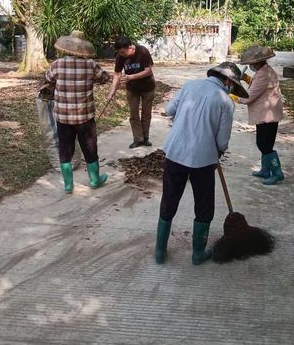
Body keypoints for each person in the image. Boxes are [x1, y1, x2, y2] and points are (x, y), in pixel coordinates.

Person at [155, 64, 248, 266]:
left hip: (175, 154)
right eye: (233, 85)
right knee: (204, 206)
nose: (232, 89)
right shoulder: (225, 101)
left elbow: (169, 110)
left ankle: (160, 252)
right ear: (227, 81)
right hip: (204, 160)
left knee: (169, 200)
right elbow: (222, 141)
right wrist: (217, 150)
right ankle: (198, 253)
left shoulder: (189, 86)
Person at [44, 30, 110, 193]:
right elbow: (104, 78)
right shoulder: (90, 65)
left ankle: (68, 185)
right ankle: (95, 180)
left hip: (63, 116)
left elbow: (48, 78)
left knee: (65, 149)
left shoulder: (57, 64)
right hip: (84, 117)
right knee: (90, 148)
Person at [232, 46, 284, 185]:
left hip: (268, 115)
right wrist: (246, 78)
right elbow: (257, 85)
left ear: (258, 63)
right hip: (268, 113)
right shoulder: (265, 70)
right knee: (265, 143)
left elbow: (249, 97)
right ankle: (265, 170)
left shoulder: (263, 74)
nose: (250, 66)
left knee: (264, 145)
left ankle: (277, 173)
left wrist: (231, 96)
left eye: (251, 64)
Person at [107, 36, 155, 149]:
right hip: (132, 89)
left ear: (130, 48)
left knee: (146, 114)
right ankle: (138, 139)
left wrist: (131, 77)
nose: (121, 54)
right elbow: (117, 74)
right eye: (119, 52)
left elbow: (148, 71)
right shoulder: (120, 56)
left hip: (148, 88)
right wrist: (112, 92)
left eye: (123, 52)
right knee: (133, 114)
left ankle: (146, 138)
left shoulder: (142, 51)